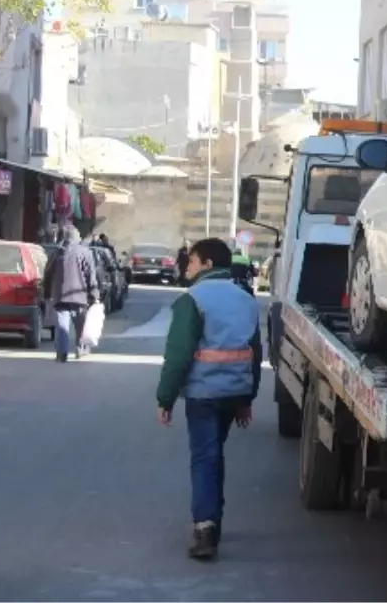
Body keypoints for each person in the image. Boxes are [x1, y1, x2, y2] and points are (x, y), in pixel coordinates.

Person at [155, 237, 262, 561]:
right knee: (214, 454)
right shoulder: (246, 298)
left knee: (205, 457)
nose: (186, 266)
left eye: (192, 261)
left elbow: (178, 354)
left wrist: (166, 398)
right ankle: (213, 520)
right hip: (234, 391)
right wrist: (248, 398)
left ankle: (205, 528)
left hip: (203, 393)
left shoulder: (193, 299)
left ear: (208, 265)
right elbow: (254, 353)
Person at [42, 226, 99, 362]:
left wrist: (47, 294)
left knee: (62, 327)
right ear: (77, 237)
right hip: (80, 297)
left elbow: (48, 275)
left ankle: (62, 354)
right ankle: (80, 349)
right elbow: (91, 276)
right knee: (80, 326)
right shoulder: (85, 252)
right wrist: (94, 295)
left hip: (60, 296)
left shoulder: (57, 252)